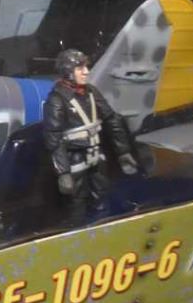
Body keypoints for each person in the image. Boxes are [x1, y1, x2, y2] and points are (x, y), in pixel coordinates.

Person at [43, 48, 138, 214]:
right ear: (68, 72)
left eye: (86, 67)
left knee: (103, 194)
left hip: (96, 154)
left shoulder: (91, 92)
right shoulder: (57, 99)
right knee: (76, 202)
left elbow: (112, 120)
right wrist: (63, 172)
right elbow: (54, 138)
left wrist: (123, 151)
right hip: (74, 159)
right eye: (80, 68)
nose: (86, 72)